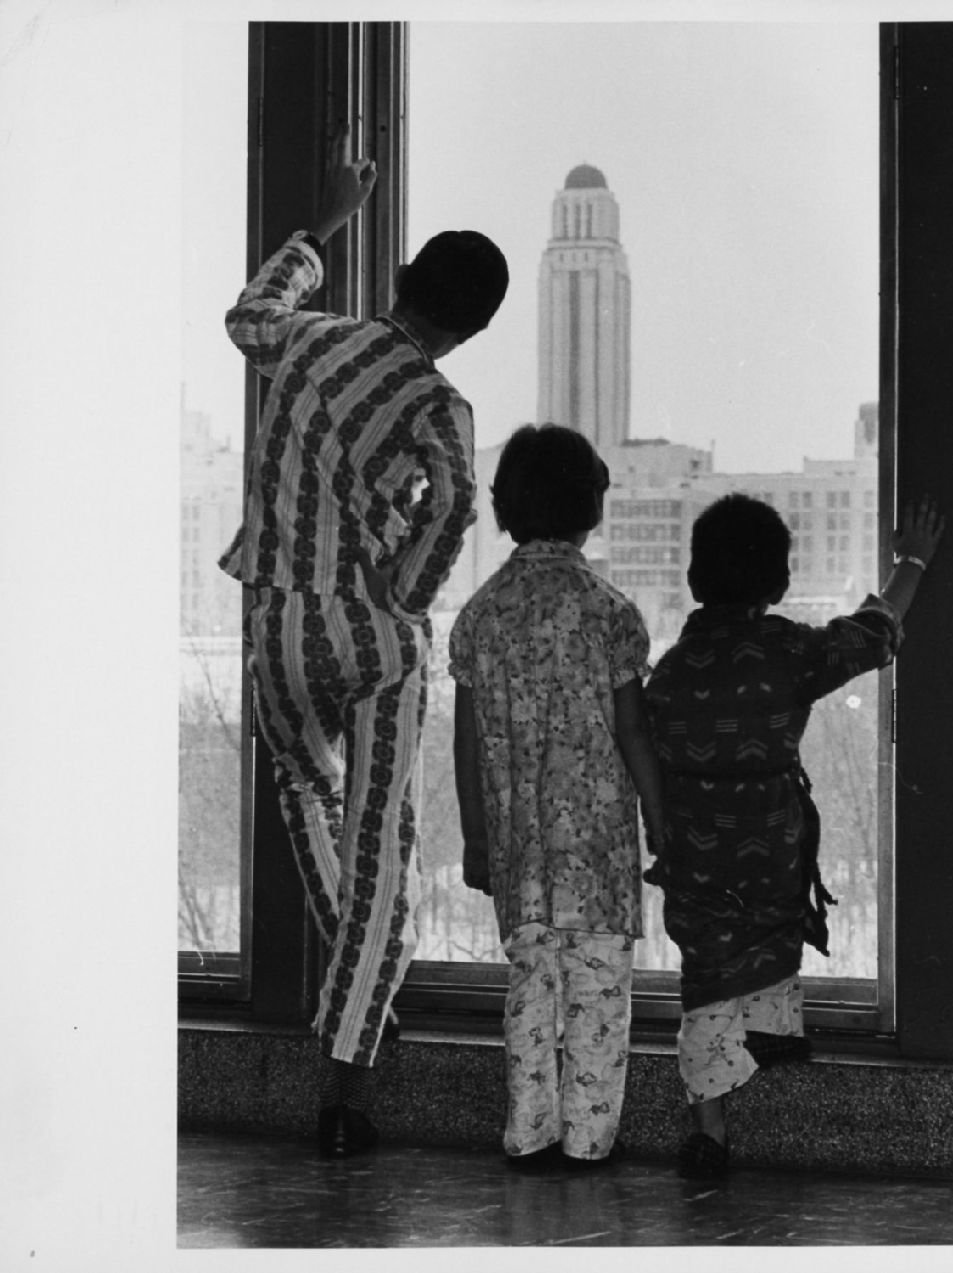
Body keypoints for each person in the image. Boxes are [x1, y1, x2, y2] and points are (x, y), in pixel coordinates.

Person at [218, 126, 509, 1158]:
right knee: (382, 844)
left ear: (399, 280)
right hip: (372, 635)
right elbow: (459, 498)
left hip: (274, 621)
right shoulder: (438, 397)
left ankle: (360, 1012)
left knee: (309, 797)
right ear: (470, 331)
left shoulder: (307, 341)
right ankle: (346, 1076)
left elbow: (247, 315)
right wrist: (407, 589)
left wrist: (325, 225)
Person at [643, 493, 944, 1179]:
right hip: (771, 851)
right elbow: (874, 633)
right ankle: (771, 1033)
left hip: (693, 856)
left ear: (694, 579)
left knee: (705, 977)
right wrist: (913, 561)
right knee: (774, 936)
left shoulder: (672, 670)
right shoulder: (787, 652)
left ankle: (710, 1130)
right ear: (779, 584)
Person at [450, 424, 665, 1169]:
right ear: (591, 506)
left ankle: (530, 1133)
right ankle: (589, 1140)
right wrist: (661, 820)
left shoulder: (480, 616)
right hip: (598, 853)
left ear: (504, 507)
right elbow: (634, 732)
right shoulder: (610, 611)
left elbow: (467, 742)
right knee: (599, 993)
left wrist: (476, 839)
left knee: (531, 988)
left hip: (521, 848)